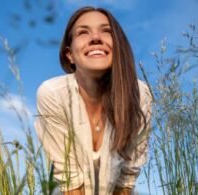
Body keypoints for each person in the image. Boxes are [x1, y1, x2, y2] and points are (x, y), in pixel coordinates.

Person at [34, 6, 152, 195]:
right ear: (69, 54)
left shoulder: (140, 94)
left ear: (118, 46)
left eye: (106, 31)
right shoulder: (53, 94)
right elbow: (69, 179)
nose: (96, 37)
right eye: (83, 32)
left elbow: (127, 177)